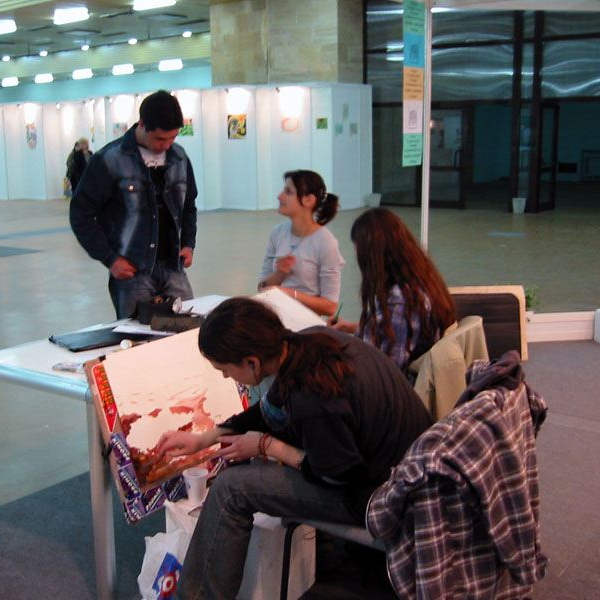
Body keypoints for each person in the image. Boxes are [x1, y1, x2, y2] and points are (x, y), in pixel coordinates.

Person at [155, 297, 433, 599]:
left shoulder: (312, 398)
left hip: (383, 496)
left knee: (231, 489)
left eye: (224, 369)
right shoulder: (308, 341)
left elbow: (338, 476)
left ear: (252, 363)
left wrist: (268, 446)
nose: (224, 376)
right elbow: (268, 411)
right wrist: (205, 438)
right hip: (409, 468)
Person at [69, 90, 197, 318]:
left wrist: (188, 243)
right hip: (132, 273)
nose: (167, 145)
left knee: (187, 329)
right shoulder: (109, 160)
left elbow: (189, 205)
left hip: (173, 267)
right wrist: (109, 258)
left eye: (173, 138)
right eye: (160, 139)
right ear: (142, 125)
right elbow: (81, 214)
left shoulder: (179, 157)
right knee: (136, 334)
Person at [331, 208, 456, 372]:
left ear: (373, 256)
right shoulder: (422, 280)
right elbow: (395, 332)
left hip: (395, 383)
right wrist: (351, 328)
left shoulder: (400, 301)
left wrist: (333, 348)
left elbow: (385, 367)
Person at [257, 170, 344, 317]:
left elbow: (330, 307)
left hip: (307, 323)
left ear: (308, 200)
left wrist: (290, 294)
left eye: (288, 192)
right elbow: (262, 288)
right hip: (277, 317)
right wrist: (280, 273)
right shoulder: (277, 233)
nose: (279, 196)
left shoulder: (326, 243)